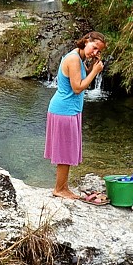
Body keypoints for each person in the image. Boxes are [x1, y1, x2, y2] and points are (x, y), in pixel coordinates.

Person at [44, 31, 107, 199]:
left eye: (98, 51)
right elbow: (77, 87)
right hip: (63, 110)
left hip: (70, 110)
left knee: (66, 150)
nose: (95, 53)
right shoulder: (73, 59)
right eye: (94, 48)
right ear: (86, 41)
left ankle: (63, 186)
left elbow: (79, 77)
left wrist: (91, 67)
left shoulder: (78, 58)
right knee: (64, 152)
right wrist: (95, 72)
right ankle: (59, 189)